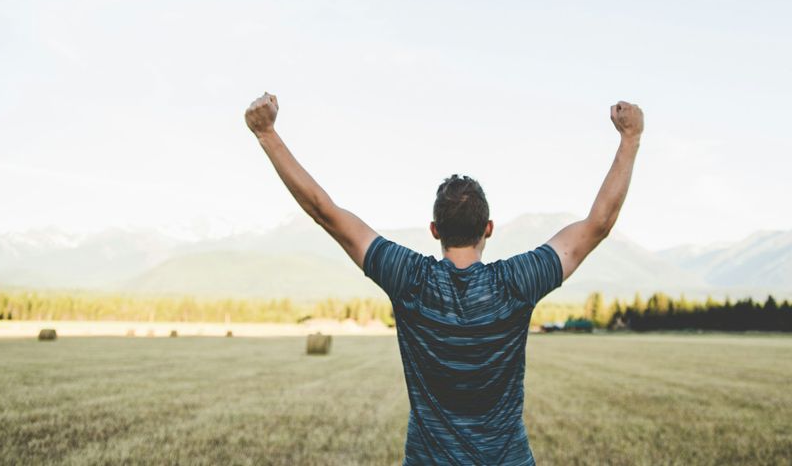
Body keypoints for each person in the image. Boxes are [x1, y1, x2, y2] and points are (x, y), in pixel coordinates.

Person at [245, 92, 644, 466]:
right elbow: (598, 224)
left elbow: (324, 211)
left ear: (434, 229)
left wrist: (267, 134)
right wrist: (630, 138)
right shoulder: (516, 282)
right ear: (488, 228)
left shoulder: (409, 279)